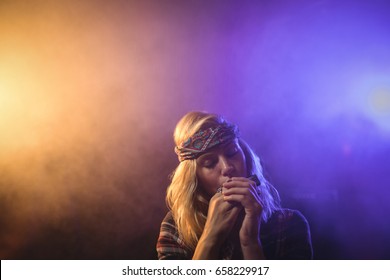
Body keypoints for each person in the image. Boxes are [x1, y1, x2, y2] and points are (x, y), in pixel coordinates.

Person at [156, 111, 313, 259]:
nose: (227, 167)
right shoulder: (176, 230)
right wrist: (211, 237)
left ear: (245, 156)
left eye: (232, 153)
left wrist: (250, 242)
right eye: (210, 163)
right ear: (194, 177)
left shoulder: (288, 224)